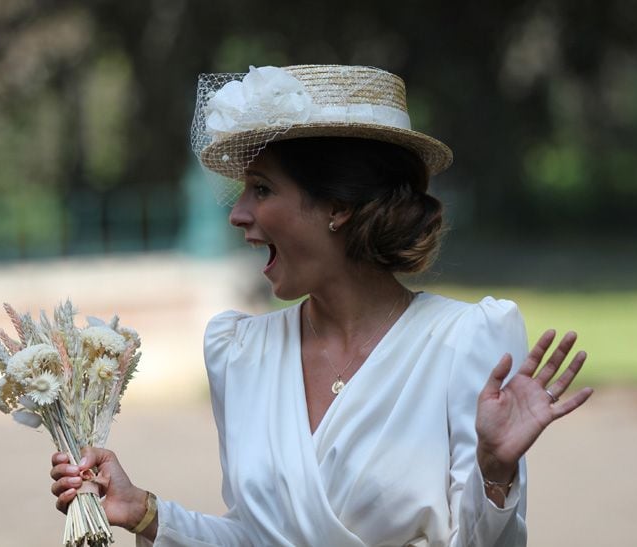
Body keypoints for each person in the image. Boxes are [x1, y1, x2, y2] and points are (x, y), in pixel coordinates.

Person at [50, 64, 593, 546]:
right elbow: (254, 538)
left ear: (337, 206)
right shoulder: (239, 353)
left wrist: (495, 471)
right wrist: (145, 512)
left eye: (261, 189)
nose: (237, 214)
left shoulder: (465, 341)